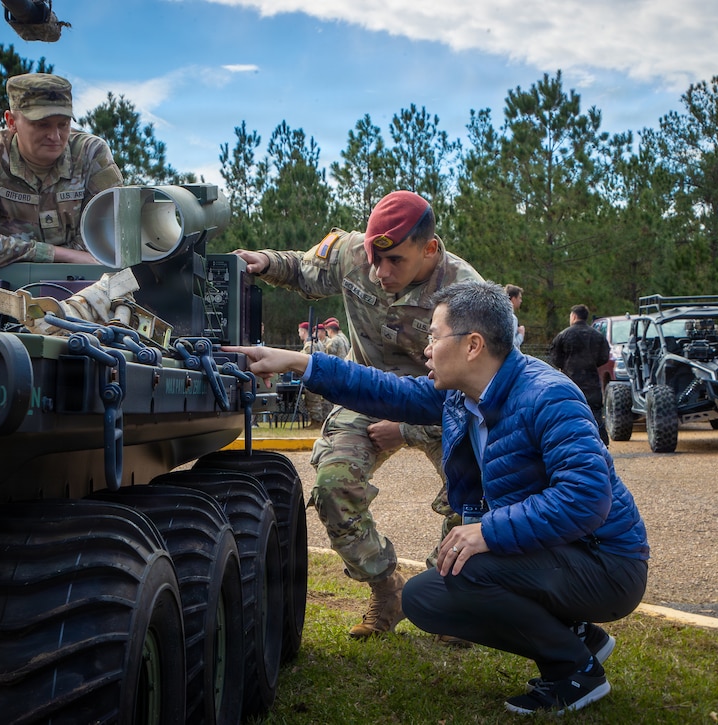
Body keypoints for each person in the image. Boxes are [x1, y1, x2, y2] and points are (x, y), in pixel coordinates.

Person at [224, 281, 649, 716]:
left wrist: (487, 531)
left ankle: (575, 673)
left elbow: (585, 497)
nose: (426, 348)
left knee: (469, 565)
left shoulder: (549, 396)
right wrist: (297, 361)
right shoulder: (460, 396)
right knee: (425, 598)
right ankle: (580, 637)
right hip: (555, 554)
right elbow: (382, 390)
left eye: (434, 335)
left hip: (607, 563)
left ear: (472, 345)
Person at [232, 190, 483, 638]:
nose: (380, 273)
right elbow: (306, 268)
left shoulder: (465, 293)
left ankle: (445, 598)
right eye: (374, 258)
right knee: (332, 486)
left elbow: (481, 384)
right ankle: (387, 593)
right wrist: (265, 262)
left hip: (441, 403)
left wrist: (406, 428)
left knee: (473, 501)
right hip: (365, 393)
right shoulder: (353, 253)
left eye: (396, 262)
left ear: (429, 248)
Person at [0, 73, 123, 271]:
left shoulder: (90, 154)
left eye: (63, 124)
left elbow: (115, 229)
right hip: (1, 286)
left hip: (82, 284)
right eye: (42, 124)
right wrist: (60, 255)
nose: (55, 136)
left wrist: (73, 262)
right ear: (11, 121)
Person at [548, 304, 611, 445]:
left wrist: (564, 365)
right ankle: (601, 442)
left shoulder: (564, 335)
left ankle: (572, 443)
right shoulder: (597, 335)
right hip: (592, 382)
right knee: (595, 414)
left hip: (570, 382)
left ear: (574, 316)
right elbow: (604, 356)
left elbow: (554, 356)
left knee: (569, 414)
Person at [505, 284, 525, 348]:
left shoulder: (500, 315)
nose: (521, 301)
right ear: (513, 299)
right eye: (519, 298)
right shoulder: (512, 318)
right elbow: (512, 344)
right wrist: (521, 334)